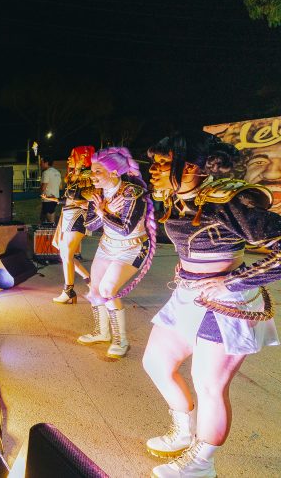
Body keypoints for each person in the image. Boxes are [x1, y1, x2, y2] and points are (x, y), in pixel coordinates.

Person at [142, 132, 281, 477]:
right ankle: (183, 432)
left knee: (207, 383)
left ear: (191, 167)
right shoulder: (179, 197)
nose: (154, 171)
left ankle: (202, 463)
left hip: (228, 304)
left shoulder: (229, 201)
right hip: (187, 295)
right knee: (156, 362)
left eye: (162, 163)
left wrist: (232, 281)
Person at [79, 147, 156, 359]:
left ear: (113, 173)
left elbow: (125, 228)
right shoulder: (98, 194)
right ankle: (101, 333)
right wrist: (101, 211)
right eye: (91, 171)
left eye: (97, 171)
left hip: (132, 247)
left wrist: (104, 212)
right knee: (94, 289)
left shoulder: (133, 193)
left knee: (107, 289)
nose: (92, 176)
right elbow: (91, 226)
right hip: (107, 246)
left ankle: (121, 340)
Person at [51, 147, 94, 304]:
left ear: (82, 158)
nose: (68, 159)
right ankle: (89, 280)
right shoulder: (73, 176)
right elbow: (69, 199)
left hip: (78, 216)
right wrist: (56, 200)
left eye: (72, 156)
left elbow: (93, 200)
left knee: (67, 253)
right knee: (64, 253)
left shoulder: (88, 175)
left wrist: (81, 203)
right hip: (68, 214)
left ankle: (68, 291)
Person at [40, 158, 62, 224]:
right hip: (55, 197)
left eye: (42, 163)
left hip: (47, 197)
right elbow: (60, 187)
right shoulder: (58, 172)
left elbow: (43, 188)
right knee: (48, 213)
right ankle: (50, 228)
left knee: (48, 218)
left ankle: (52, 229)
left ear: (46, 163)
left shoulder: (46, 172)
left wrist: (39, 188)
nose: (40, 164)